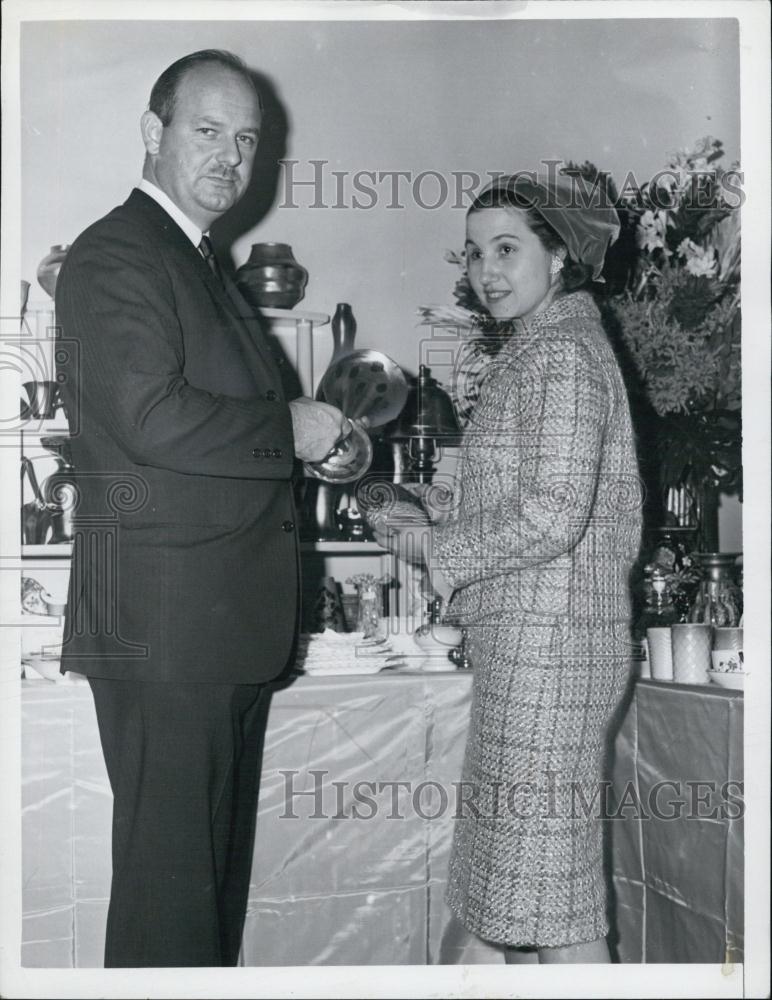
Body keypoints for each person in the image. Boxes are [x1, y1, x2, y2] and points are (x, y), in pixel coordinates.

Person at [55, 50, 349, 968]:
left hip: (210, 632)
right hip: (167, 632)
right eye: (208, 131)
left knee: (202, 909)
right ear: (154, 133)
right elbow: (150, 418)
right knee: (170, 914)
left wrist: (321, 444)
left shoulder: (193, 260)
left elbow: (230, 433)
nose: (230, 155)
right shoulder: (115, 254)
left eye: (248, 140)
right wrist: (289, 430)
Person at [373, 174, 643, 964]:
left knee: (550, 905)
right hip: (537, 648)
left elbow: (552, 514)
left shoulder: (559, 352)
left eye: (507, 248)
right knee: (520, 896)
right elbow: (525, 501)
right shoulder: (543, 346)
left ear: (557, 255)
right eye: (475, 252)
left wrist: (434, 545)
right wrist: (427, 511)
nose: (486, 270)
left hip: (550, 655)